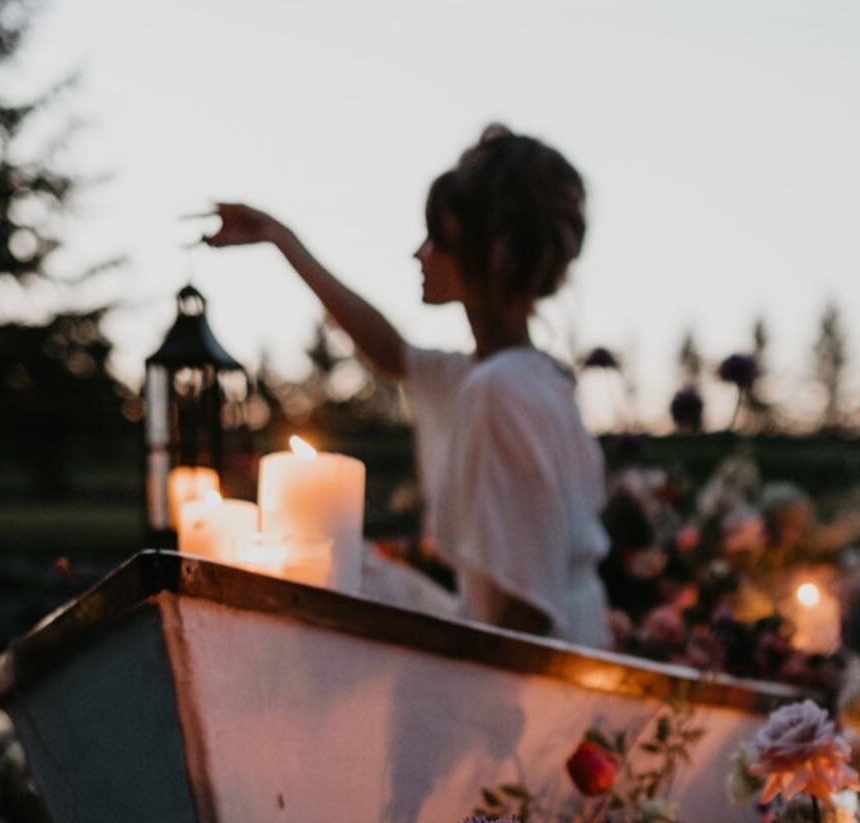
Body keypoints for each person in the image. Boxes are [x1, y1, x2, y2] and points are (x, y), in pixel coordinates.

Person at [205, 125, 610, 647]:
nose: (419, 254)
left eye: (436, 239)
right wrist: (281, 239)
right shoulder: (523, 376)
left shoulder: (500, 390)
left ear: (488, 253)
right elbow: (392, 353)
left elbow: (526, 613)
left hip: (534, 684)